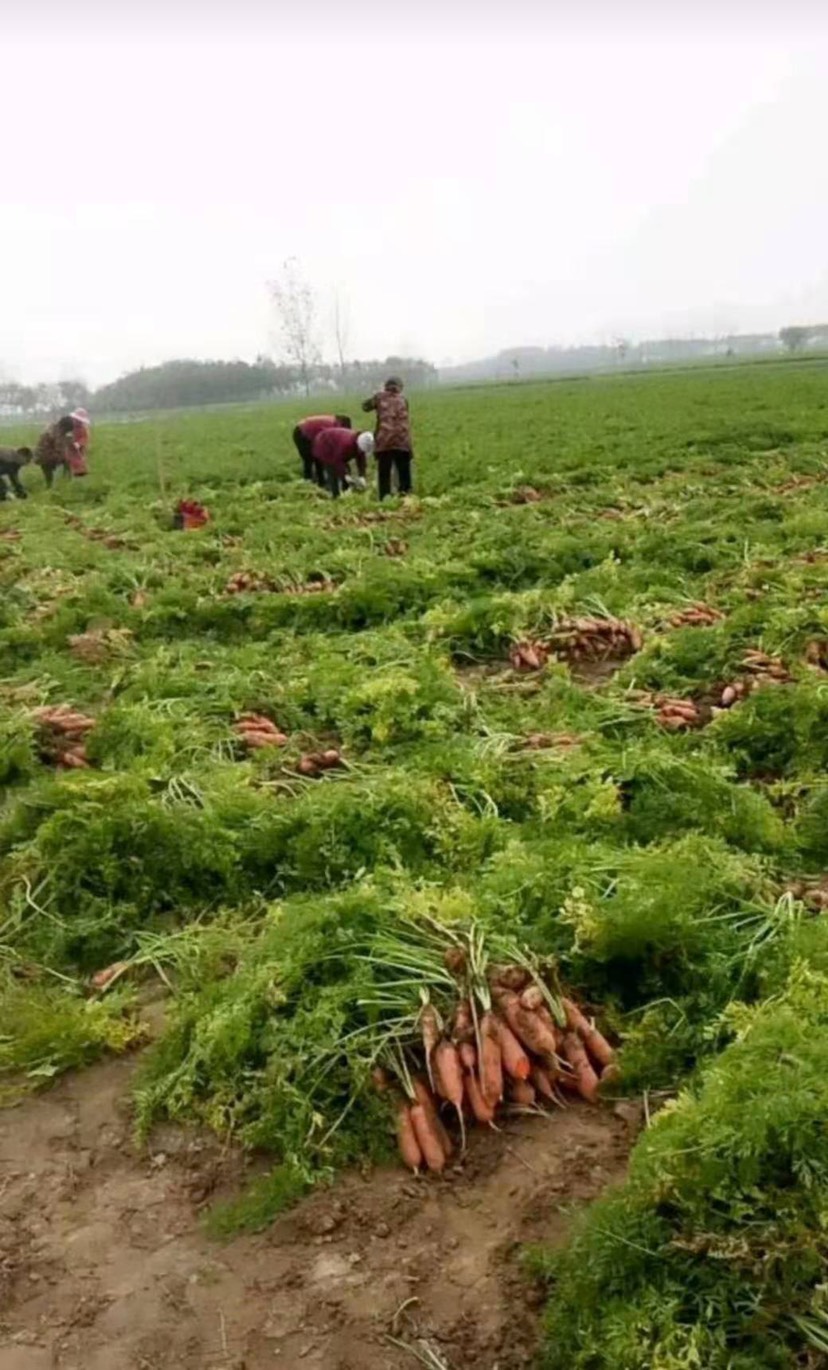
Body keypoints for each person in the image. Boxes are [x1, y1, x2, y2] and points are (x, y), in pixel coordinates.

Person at [362, 376, 413, 499]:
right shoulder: (404, 399)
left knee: (384, 473)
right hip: (403, 440)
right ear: (400, 387)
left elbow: (364, 407)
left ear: (386, 386)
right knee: (404, 472)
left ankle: (385, 498)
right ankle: (405, 496)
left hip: (385, 441)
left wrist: (377, 394)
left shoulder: (379, 397)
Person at [312, 427, 374, 498]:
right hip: (323, 443)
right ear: (358, 445)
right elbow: (337, 461)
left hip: (336, 445)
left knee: (345, 470)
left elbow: (361, 460)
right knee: (332, 470)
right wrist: (345, 475)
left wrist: (362, 476)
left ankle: (345, 489)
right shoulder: (347, 445)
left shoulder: (360, 443)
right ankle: (335, 495)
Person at [293, 414, 351, 485]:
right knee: (309, 459)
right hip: (301, 433)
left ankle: (321, 482)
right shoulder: (332, 427)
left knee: (319, 458)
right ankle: (308, 483)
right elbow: (326, 445)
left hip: (310, 432)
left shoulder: (335, 424)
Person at [35, 415, 88, 486]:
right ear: (64, 427)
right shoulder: (56, 433)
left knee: (49, 479)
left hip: (40, 456)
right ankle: (67, 481)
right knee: (67, 459)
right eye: (67, 430)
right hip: (46, 456)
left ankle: (52, 486)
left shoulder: (52, 427)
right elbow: (59, 449)